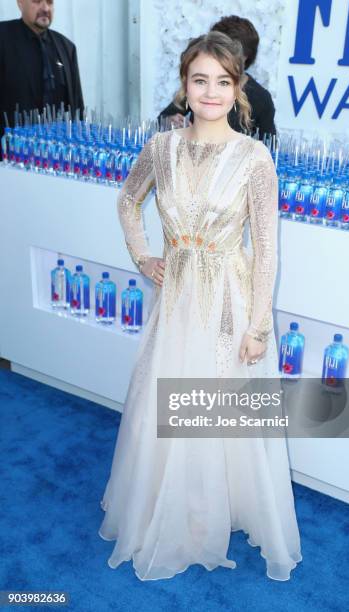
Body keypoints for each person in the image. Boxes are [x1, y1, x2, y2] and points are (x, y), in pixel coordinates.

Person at [98, 31, 302, 581]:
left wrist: (259, 326)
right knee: (164, 406)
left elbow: (266, 249)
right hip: (179, 295)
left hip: (229, 303)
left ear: (238, 90)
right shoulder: (161, 147)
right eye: (199, 80)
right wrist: (142, 255)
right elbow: (126, 199)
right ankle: (171, 509)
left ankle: (215, 510)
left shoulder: (254, 157)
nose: (210, 91)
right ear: (184, 86)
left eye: (222, 81)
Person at [158, 15, 276, 140]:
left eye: (224, 83)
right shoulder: (196, 88)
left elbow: (271, 146)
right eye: (201, 81)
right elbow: (163, 119)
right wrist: (171, 121)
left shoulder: (262, 98)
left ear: (244, 56)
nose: (211, 93)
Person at [0, 0, 84, 140]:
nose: (45, 8)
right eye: (37, 1)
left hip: (57, 153)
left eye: (50, 2)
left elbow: (77, 108)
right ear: (20, 3)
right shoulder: (3, 39)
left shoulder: (66, 48)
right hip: (10, 155)